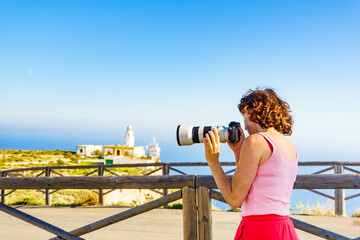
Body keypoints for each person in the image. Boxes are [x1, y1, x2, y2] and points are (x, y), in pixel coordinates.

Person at [203, 88, 299, 240]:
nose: (245, 126)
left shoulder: (254, 142)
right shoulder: (289, 146)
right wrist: (238, 152)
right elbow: (251, 189)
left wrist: (213, 160)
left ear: (255, 113)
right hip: (284, 228)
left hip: (259, 230)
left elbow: (234, 199)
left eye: (245, 117)